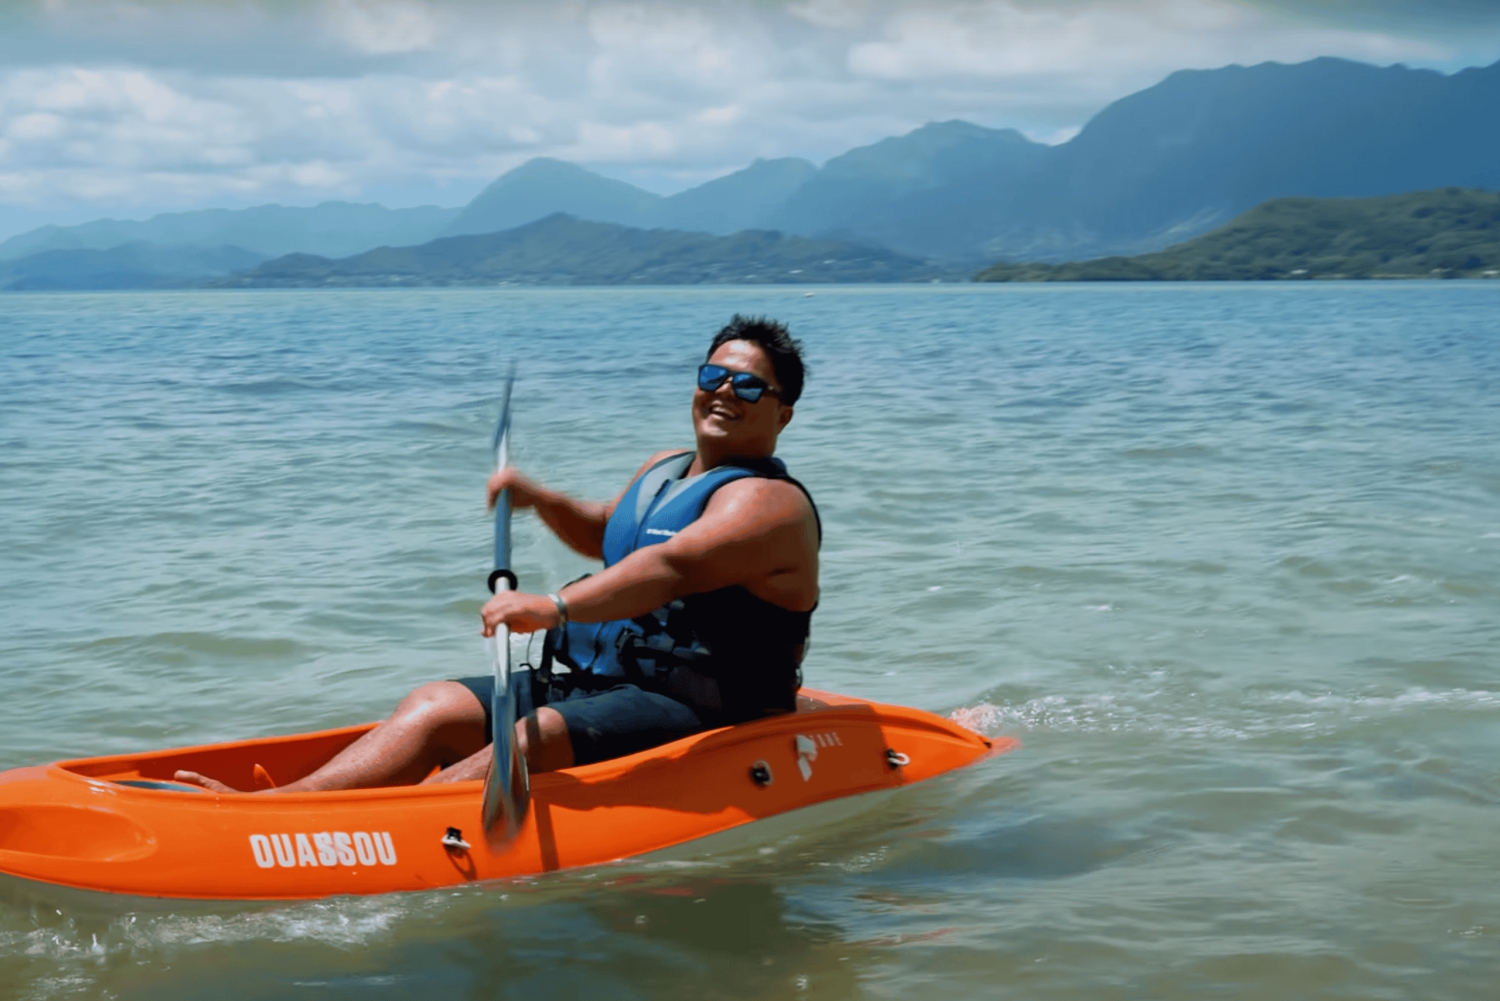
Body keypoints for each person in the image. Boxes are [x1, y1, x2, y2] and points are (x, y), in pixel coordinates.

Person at [174, 315, 819, 793]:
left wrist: (552, 606)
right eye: (714, 376)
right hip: (599, 683)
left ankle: (386, 825)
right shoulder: (665, 469)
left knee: (532, 735)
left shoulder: (769, 506)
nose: (726, 392)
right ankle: (288, 807)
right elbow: (609, 536)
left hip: (701, 704)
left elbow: (668, 569)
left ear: (782, 413)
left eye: (750, 387)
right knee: (435, 704)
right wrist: (540, 498)